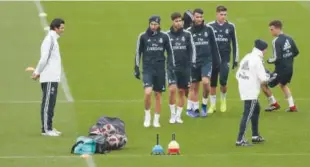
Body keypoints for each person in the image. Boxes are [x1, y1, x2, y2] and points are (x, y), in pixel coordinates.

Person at [134, 15, 174, 128]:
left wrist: (170, 66)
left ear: (159, 24)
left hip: (160, 69)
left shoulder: (164, 36)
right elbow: (138, 52)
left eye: (155, 24)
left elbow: (170, 52)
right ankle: (147, 115)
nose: (153, 26)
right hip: (147, 68)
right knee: (147, 92)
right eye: (151, 24)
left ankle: (156, 119)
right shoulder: (142, 36)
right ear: (149, 24)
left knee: (158, 94)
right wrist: (136, 67)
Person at [235, 39, 275, 146]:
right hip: (251, 90)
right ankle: (240, 139)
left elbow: (238, 74)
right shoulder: (257, 60)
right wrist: (271, 76)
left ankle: (255, 135)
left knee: (256, 108)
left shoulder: (247, 56)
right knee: (247, 113)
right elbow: (263, 79)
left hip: (243, 86)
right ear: (263, 50)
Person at [32, 18, 65, 136]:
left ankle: (49, 127)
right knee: (47, 103)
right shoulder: (50, 40)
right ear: (55, 28)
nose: (63, 30)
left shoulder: (53, 39)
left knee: (51, 103)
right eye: (61, 28)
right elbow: (44, 58)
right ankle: (46, 129)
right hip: (49, 77)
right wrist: (37, 71)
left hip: (53, 77)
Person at [186, 8, 220, 117]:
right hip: (194, 62)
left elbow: (214, 46)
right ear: (193, 18)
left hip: (206, 61)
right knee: (194, 87)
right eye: (197, 17)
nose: (199, 19)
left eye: (201, 17)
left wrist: (217, 61)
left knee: (205, 82)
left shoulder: (209, 30)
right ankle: (195, 109)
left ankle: (204, 105)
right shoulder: (189, 32)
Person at [262, 20, 299, 112]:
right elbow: (296, 52)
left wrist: (268, 60)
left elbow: (276, 58)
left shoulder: (276, 41)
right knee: (283, 85)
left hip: (280, 70)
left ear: (277, 29)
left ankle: (274, 104)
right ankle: (292, 106)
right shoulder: (289, 38)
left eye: (272, 29)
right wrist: (288, 59)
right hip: (289, 68)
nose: (271, 32)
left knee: (263, 84)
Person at [208, 5, 239, 113]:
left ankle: (223, 101)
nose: (223, 16)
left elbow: (235, 43)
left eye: (225, 14)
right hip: (213, 59)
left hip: (225, 59)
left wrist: (235, 59)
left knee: (223, 82)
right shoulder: (210, 26)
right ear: (217, 14)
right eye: (221, 14)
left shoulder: (231, 26)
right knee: (212, 83)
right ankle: (212, 105)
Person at [167, 12, 196, 124]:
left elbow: (192, 50)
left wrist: (192, 64)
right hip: (172, 68)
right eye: (176, 21)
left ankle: (178, 116)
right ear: (172, 22)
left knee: (182, 91)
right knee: (172, 90)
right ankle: (172, 114)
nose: (179, 23)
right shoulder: (167, 35)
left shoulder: (187, 35)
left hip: (185, 68)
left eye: (180, 21)